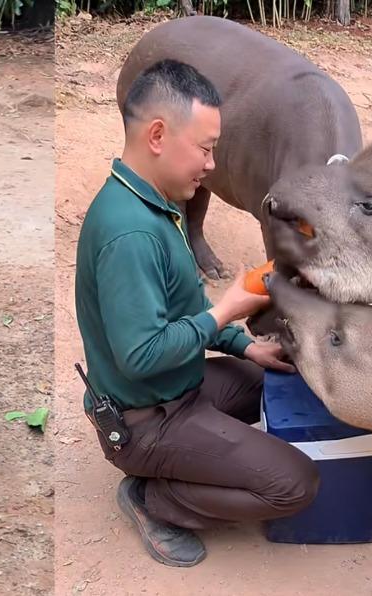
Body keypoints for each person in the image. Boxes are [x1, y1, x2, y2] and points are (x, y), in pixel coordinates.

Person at [74, 59, 320, 567]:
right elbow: (140, 356)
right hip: (144, 420)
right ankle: (154, 500)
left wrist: (245, 344)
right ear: (158, 135)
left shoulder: (155, 203)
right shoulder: (131, 234)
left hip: (174, 388)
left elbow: (183, 310)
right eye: (206, 149)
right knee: (296, 485)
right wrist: (228, 309)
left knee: (267, 379)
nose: (211, 164)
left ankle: (192, 456)